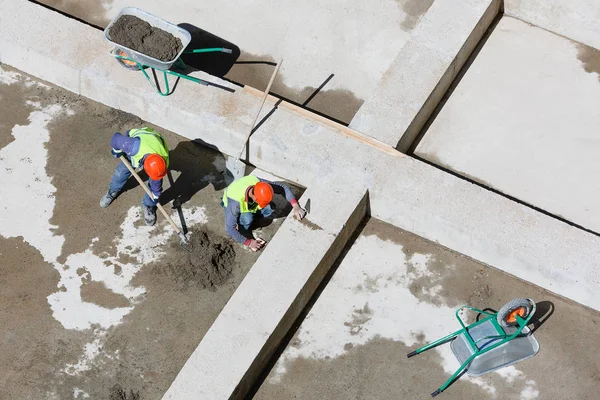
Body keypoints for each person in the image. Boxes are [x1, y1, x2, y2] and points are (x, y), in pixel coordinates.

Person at [99, 127, 169, 226]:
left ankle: (149, 204)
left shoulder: (162, 163)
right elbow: (115, 138)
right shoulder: (132, 146)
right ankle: (113, 191)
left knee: (154, 187)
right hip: (139, 141)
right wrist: (117, 151)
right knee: (121, 172)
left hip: (155, 143)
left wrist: (155, 196)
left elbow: (156, 181)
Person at [222, 175, 304, 251]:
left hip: (247, 203)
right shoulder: (235, 203)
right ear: (254, 197)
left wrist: (296, 206)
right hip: (232, 207)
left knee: (270, 208)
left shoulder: (260, 184)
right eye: (260, 201)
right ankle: (242, 229)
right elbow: (229, 229)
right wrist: (250, 243)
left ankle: (251, 219)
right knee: (247, 219)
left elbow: (282, 187)